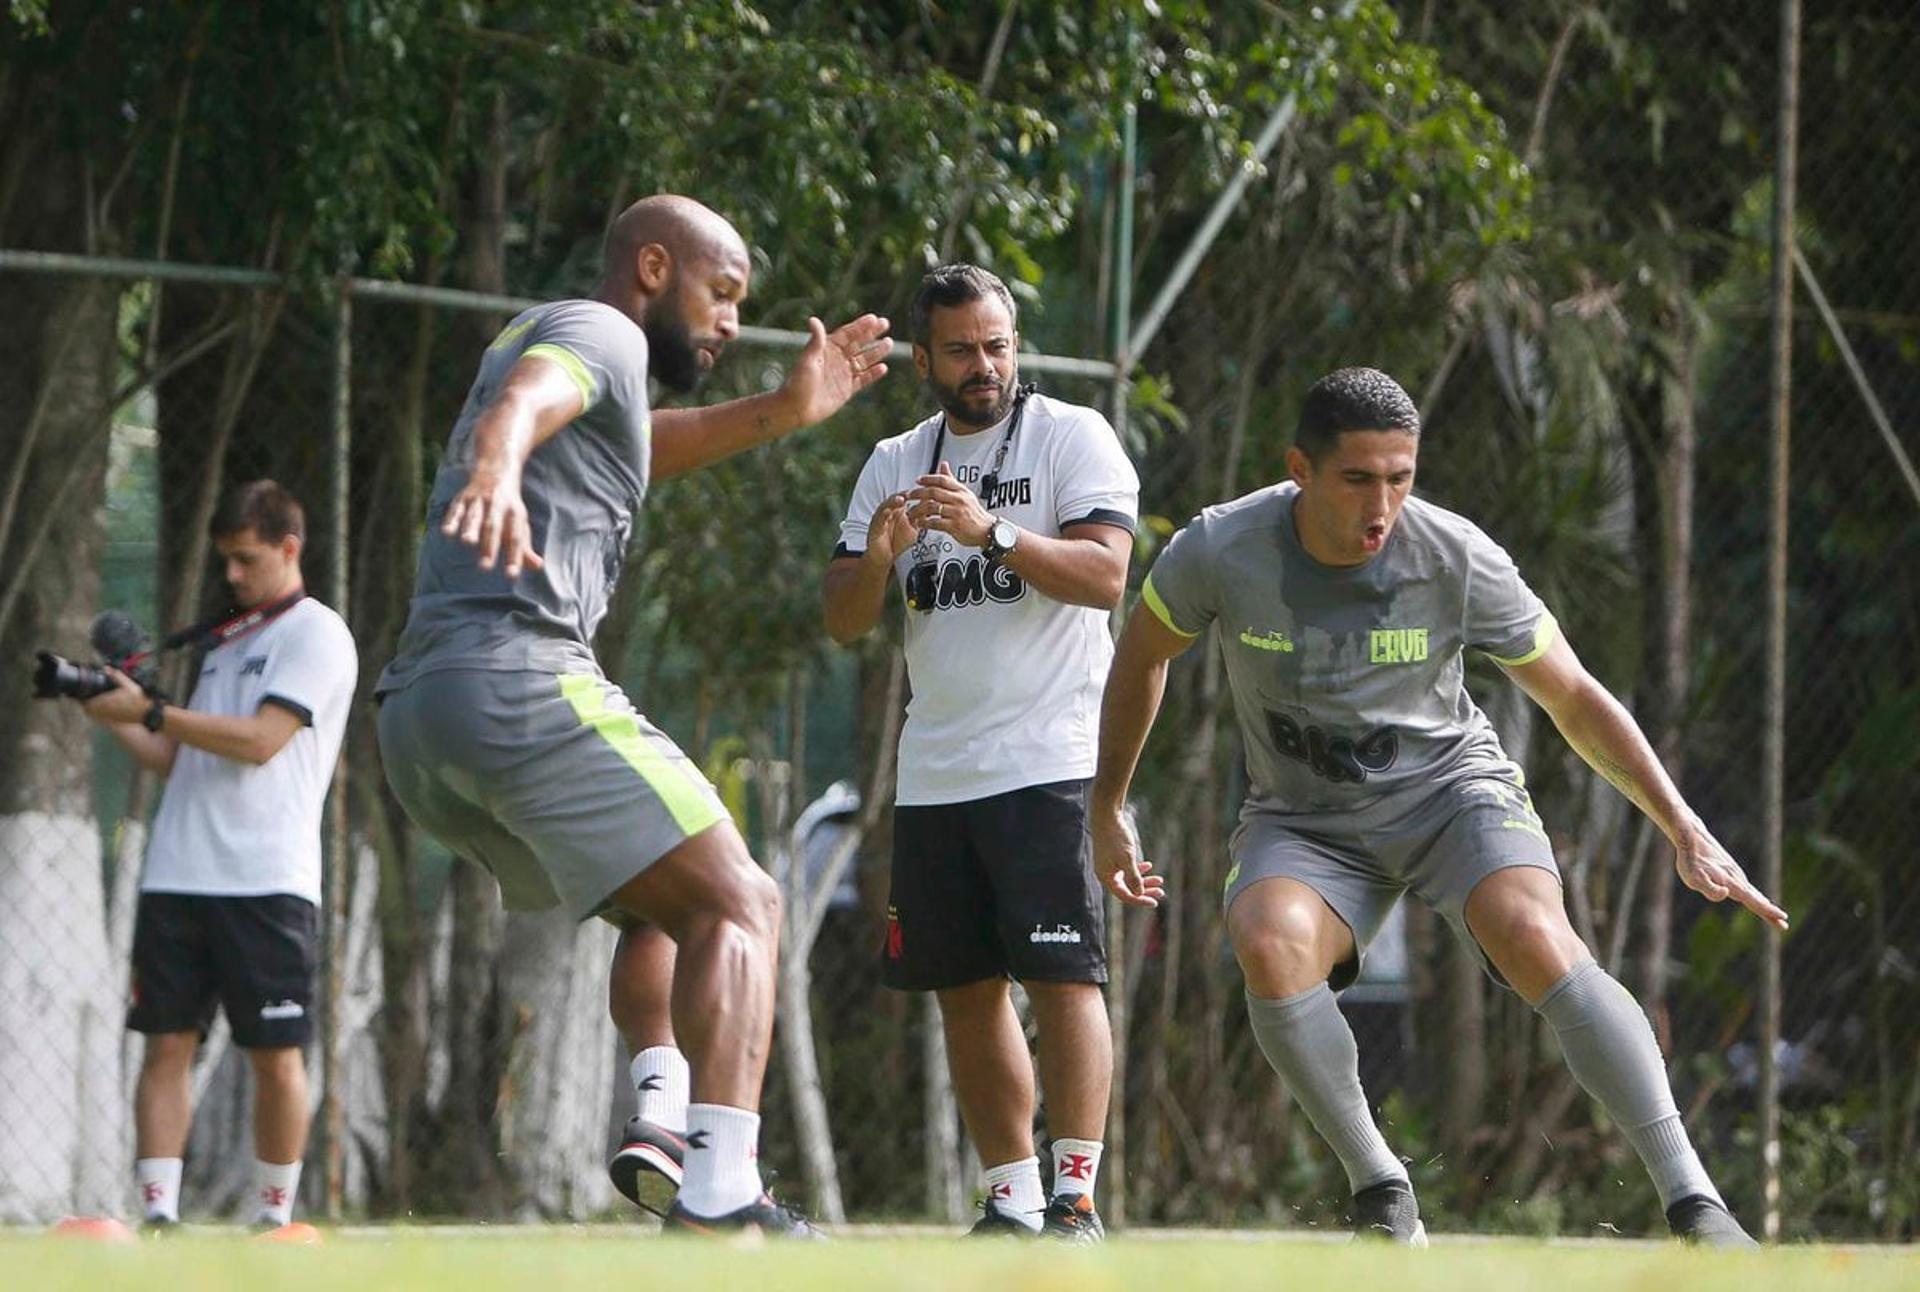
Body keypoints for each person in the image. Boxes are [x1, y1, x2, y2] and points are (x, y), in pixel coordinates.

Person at [1091, 367, 1783, 1247]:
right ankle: (1382, 1191)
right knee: (1267, 942)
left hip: (1451, 795)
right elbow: (1142, 655)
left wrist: (1682, 826)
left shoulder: (1455, 555)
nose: (1383, 505)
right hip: (1305, 820)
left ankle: (1697, 1205)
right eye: (1358, 479)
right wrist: (1108, 803)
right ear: (1300, 468)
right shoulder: (1222, 549)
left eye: (1401, 477)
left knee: (1534, 934)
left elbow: (1571, 696)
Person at [375, 194, 889, 1236]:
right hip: (517, 676)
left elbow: (633, 441)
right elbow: (534, 395)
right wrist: (495, 457)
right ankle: (721, 1190)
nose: (733, 322)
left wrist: (783, 412)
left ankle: (659, 1113)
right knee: (746, 900)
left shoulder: (574, 347)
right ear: (653, 267)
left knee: (664, 900)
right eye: (724, 292)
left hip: (421, 717)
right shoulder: (599, 329)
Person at [822, 264, 1139, 1241]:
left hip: (1046, 760)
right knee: (962, 987)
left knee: (1064, 977)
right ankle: (1010, 1196)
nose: (984, 365)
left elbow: (1106, 576)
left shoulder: (1069, 436)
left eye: (997, 344)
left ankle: (1075, 1193)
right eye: (960, 349)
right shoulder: (893, 459)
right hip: (936, 773)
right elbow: (841, 621)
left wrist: (991, 528)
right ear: (924, 359)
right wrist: (879, 554)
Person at [84, 480, 358, 1233]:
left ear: (289, 548)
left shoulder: (315, 634)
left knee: (275, 1055)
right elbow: (178, 757)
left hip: (267, 879)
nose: (231, 575)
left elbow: (262, 743)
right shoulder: (227, 639)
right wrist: (108, 711)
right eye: (225, 561)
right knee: (165, 1044)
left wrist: (151, 708)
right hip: (177, 873)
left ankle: (275, 1219)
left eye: (245, 559)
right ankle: (160, 1217)